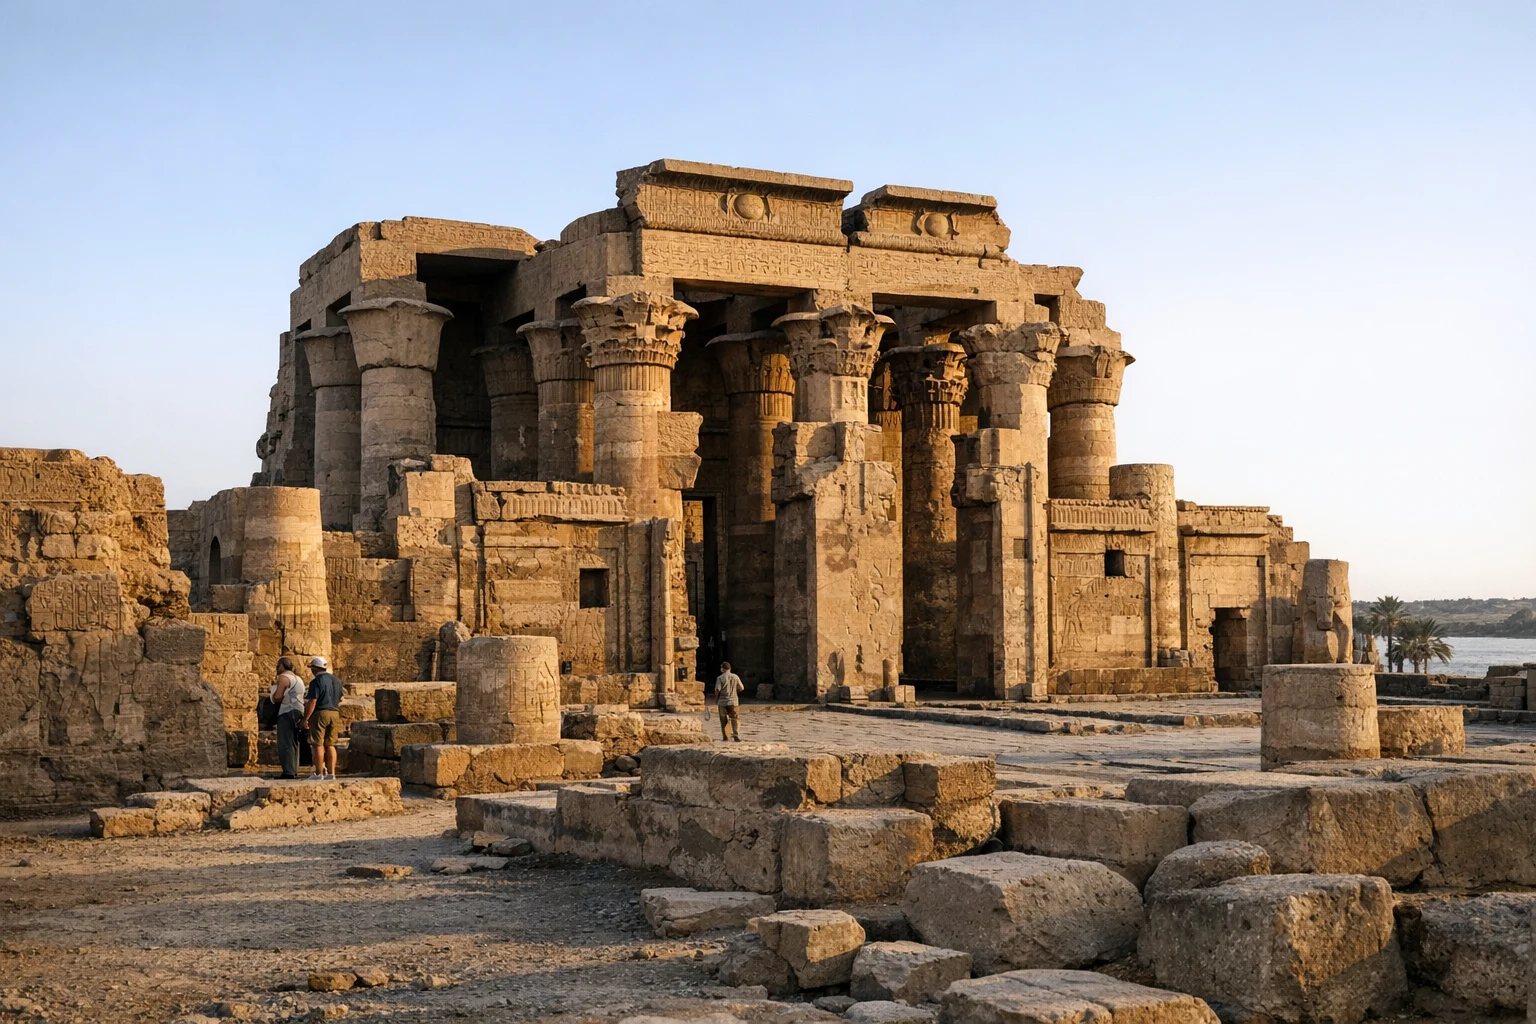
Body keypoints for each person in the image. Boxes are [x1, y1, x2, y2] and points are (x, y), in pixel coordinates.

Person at [302, 655, 344, 780]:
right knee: (330, 744)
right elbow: (341, 698)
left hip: (321, 712)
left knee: (317, 744)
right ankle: (331, 773)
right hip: (335, 712)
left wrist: (306, 718)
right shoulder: (336, 681)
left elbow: (312, 701)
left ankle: (318, 773)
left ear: (315, 668)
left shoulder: (316, 682)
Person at [270, 657, 307, 778]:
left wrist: (273, 694)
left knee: (286, 741)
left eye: (277, 666)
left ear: (281, 666)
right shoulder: (299, 679)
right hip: (299, 710)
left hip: (288, 710)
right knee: (294, 742)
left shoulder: (284, 678)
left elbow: (277, 697)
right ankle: (293, 769)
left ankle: (288, 772)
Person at [715, 661, 743, 742]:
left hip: (723, 702)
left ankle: (725, 736)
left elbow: (717, 689)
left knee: (723, 719)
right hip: (734, 702)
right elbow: (741, 687)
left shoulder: (720, 678)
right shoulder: (735, 677)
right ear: (729, 668)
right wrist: (735, 692)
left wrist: (716, 698)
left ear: (722, 669)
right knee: (735, 718)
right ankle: (736, 734)